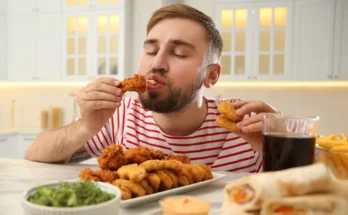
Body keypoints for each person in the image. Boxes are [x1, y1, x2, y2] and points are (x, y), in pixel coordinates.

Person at [25, 4, 280, 172]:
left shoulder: (244, 123)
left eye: (179, 53)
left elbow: (311, 186)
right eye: (150, 50)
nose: (156, 63)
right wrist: (85, 126)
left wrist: (284, 145)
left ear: (211, 76)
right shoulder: (120, 113)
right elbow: (35, 155)